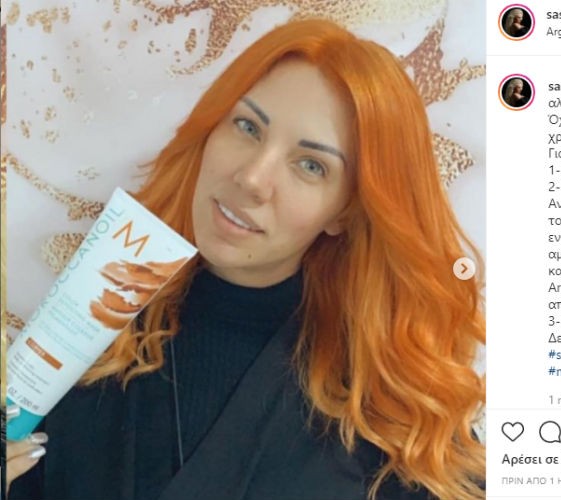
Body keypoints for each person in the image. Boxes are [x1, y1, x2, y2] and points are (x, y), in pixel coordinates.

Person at [7, 19, 485, 500]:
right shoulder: (90, 334)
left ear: (345, 212)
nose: (252, 178)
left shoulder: (387, 409)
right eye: (248, 127)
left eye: (311, 165)